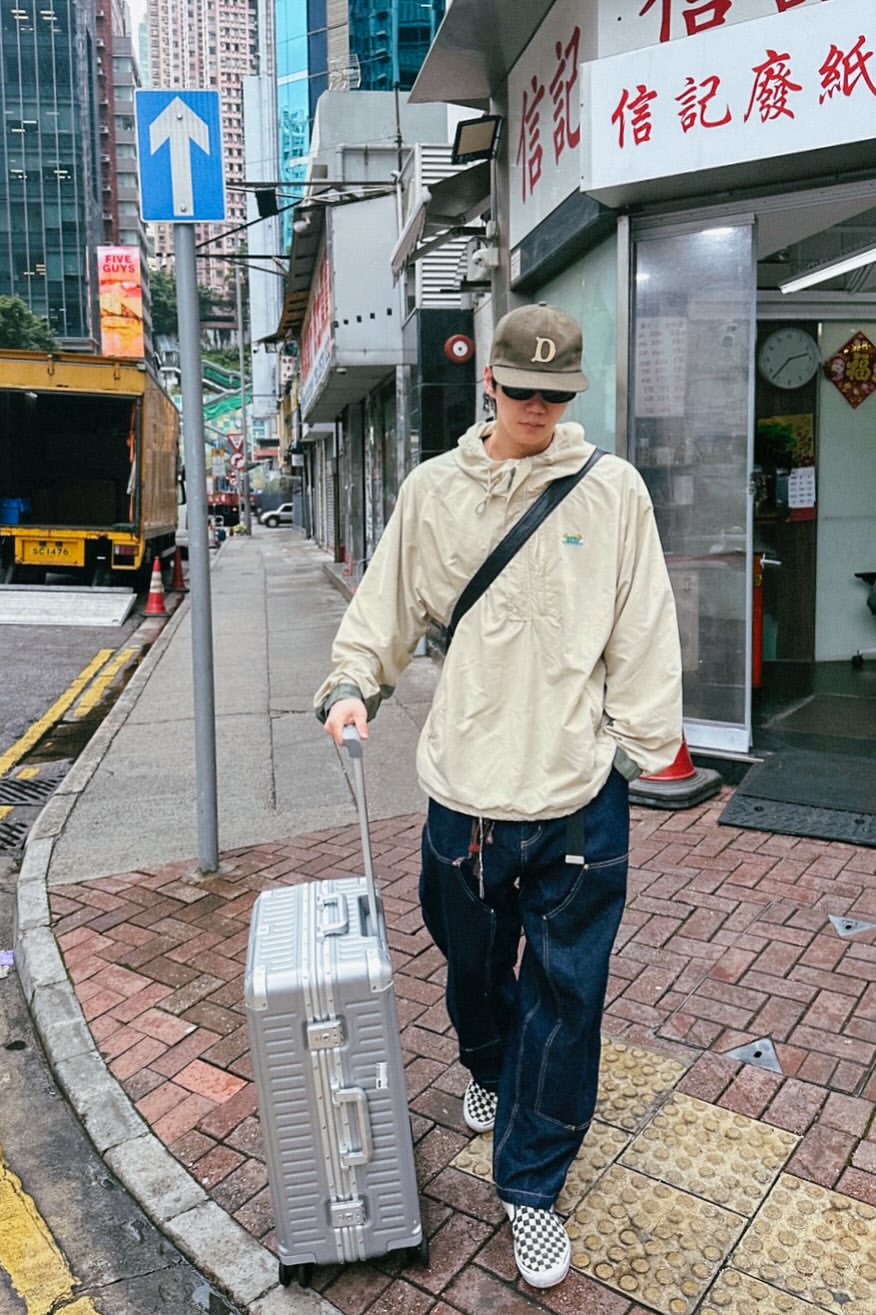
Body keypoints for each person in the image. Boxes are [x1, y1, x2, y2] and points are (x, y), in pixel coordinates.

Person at [315, 303, 682, 1290]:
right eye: (520, 390)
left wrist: (629, 750)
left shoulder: (612, 493)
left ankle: (527, 1188)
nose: (535, 408)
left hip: (574, 800)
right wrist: (351, 685)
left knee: (563, 1003)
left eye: (553, 395)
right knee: (476, 976)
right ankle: (484, 1066)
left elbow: (642, 624)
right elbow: (383, 605)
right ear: (489, 381)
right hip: (464, 800)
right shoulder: (435, 491)